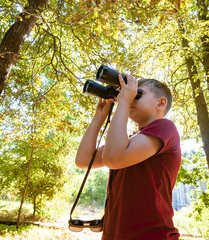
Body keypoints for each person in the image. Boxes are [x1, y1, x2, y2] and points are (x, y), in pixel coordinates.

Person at [75, 74, 181, 239]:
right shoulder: (128, 140)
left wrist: (123, 102)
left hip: (151, 235)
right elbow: (83, 160)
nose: (131, 98)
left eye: (137, 93)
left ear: (160, 103)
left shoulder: (165, 127)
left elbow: (113, 159)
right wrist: (100, 116)